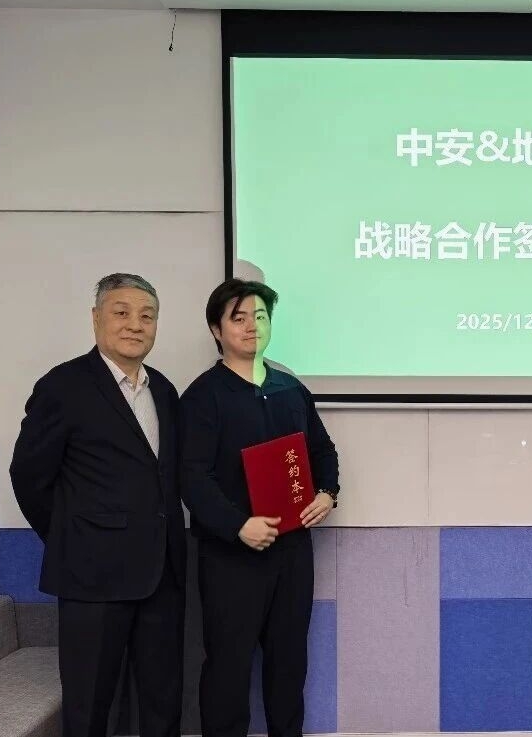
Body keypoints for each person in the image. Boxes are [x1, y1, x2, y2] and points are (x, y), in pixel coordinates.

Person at [9, 273, 185, 737]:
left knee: (163, 702)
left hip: (161, 574)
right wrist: (73, 536)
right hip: (92, 577)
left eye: (147, 315)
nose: (135, 325)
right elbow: (29, 476)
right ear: (96, 318)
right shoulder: (63, 386)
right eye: (121, 312)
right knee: (90, 707)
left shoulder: (164, 391)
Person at [181, 278, 340, 737]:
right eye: (239, 318)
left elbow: (322, 451)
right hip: (231, 557)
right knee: (228, 666)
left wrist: (327, 494)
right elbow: (192, 477)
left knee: (289, 663)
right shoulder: (203, 396)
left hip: (292, 554)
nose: (252, 326)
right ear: (217, 329)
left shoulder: (291, 389)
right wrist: (237, 526)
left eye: (261, 316)